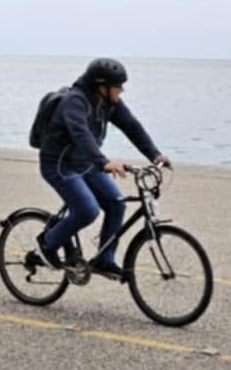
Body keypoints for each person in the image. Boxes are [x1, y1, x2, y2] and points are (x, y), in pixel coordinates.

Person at [30, 58, 171, 280]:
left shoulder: (108, 102)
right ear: (102, 86)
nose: (122, 90)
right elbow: (80, 134)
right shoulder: (75, 101)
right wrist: (103, 161)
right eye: (118, 86)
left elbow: (131, 126)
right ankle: (47, 244)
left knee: (116, 203)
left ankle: (105, 260)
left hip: (85, 163)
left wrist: (154, 154)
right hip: (58, 164)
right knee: (87, 210)